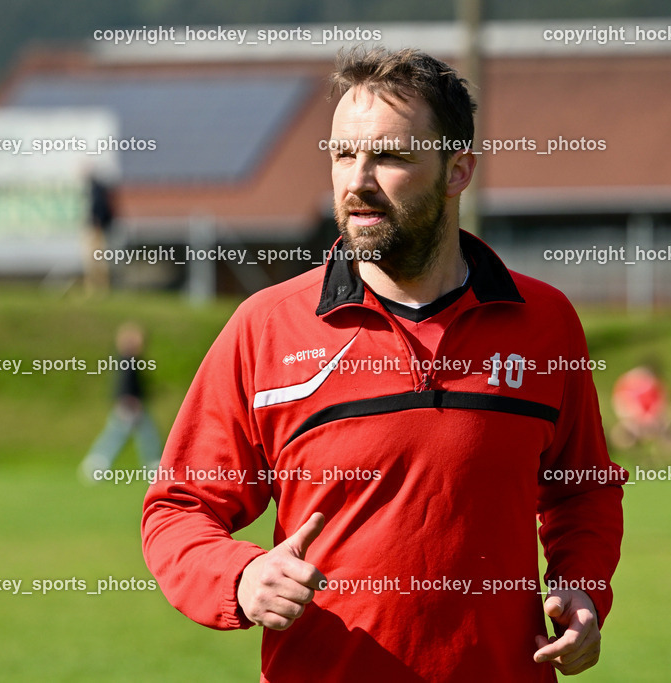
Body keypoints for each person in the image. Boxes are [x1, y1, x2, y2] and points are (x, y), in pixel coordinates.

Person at [142, 47, 626, 682]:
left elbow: (581, 491)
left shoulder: (545, 321)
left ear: (457, 171)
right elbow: (179, 508)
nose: (357, 180)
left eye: (390, 155)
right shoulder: (266, 326)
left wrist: (582, 591)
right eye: (343, 154)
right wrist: (241, 575)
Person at [79, 322, 161, 481]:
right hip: (130, 405)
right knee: (124, 436)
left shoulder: (130, 359)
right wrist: (129, 401)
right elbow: (124, 384)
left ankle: (98, 463)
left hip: (131, 404)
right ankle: (97, 463)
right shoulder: (127, 360)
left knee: (131, 435)